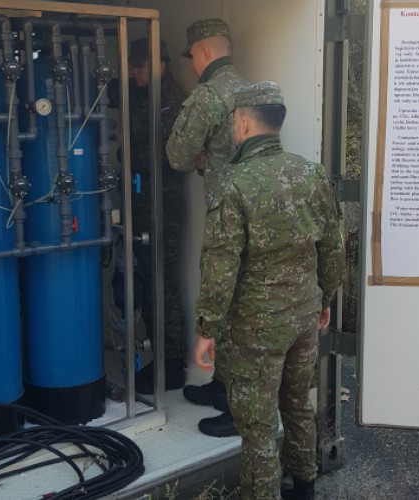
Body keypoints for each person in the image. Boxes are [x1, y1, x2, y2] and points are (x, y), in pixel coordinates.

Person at [192, 81, 344, 499]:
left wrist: (207, 329)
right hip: (303, 316)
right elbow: (333, 247)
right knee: (297, 405)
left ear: (243, 123)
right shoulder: (311, 173)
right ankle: (305, 489)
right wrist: (325, 298)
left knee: (257, 425)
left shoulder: (234, 184)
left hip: (256, 329)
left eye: (233, 122)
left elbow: (220, 266)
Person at [165, 18, 248, 422]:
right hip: (256, 212)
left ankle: (235, 403)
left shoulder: (207, 95)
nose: (193, 65)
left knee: (223, 299)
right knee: (239, 299)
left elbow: (177, 157)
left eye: (193, 57)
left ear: (204, 51)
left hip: (224, 217)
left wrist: (203, 158)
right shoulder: (251, 90)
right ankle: (223, 384)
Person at [114, 38, 187, 394]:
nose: (133, 72)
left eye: (140, 65)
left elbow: (166, 154)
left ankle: (171, 364)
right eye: (131, 65)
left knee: (163, 285)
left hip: (163, 208)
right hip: (140, 204)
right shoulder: (141, 95)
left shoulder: (174, 101)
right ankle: (156, 356)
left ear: (161, 63)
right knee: (144, 281)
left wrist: (126, 154)